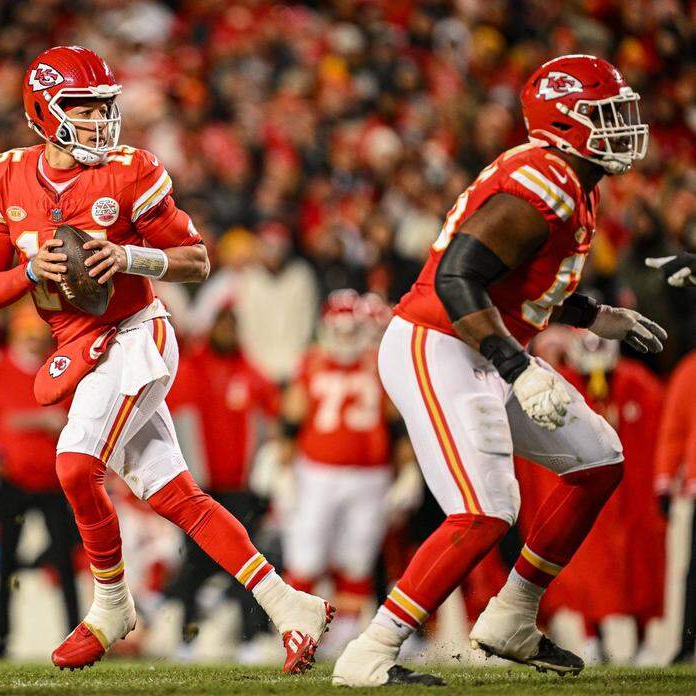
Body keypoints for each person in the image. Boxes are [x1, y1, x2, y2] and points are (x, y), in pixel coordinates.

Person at [0, 46, 332, 673]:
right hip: (81, 348)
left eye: (104, 109)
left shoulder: (131, 171)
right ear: (42, 111)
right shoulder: (1, 176)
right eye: (81, 109)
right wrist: (29, 271)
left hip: (138, 334)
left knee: (77, 466)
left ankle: (111, 603)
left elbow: (197, 259)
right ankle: (289, 605)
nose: (98, 123)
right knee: (179, 496)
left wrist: (133, 257)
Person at [333, 55, 665, 686]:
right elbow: (459, 278)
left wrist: (592, 317)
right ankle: (369, 654)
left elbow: (520, 282)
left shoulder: (572, 179)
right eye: (604, 115)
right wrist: (518, 368)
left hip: (482, 345)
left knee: (598, 460)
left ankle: (512, 616)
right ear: (563, 124)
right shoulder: (543, 178)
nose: (621, 126)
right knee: (484, 509)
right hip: (439, 342)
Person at [278, 290, 416, 659]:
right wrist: (281, 468)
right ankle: (296, 634)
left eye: (349, 330)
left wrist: (409, 472)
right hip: (317, 472)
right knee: (306, 556)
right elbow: (292, 419)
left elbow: (396, 425)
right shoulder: (311, 363)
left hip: (371, 477)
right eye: (336, 330)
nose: (342, 338)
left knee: (355, 559)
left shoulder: (378, 364)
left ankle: (342, 642)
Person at [516, 331, 665, 662]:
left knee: (642, 567)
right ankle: (589, 637)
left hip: (633, 495)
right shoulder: (560, 385)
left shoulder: (637, 381)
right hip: (587, 489)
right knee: (585, 564)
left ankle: (643, 639)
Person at [164, 302, 278, 662]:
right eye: (222, 324)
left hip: (241, 490)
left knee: (247, 565)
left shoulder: (251, 374)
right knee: (195, 565)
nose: (227, 331)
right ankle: (187, 637)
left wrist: (265, 478)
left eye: (232, 325)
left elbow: (273, 427)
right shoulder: (190, 370)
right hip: (199, 489)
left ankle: (250, 639)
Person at [0, 307, 81, 660]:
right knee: (7, 563)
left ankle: (76, 634)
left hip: (53, 481)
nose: (34, 339)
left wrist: (29, 422)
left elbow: (68, 418)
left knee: (65, 564)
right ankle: (1, 638)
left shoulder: (58, 367)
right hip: (14, 481)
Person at [656, 350, 696, 662]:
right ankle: (687, 645)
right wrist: (665, 479)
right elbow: (675, 429)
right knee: (693, 572)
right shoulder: (690, 369)